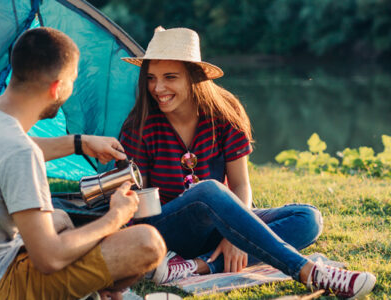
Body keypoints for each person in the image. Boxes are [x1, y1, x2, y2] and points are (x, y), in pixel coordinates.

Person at [118, 27, 376, 298]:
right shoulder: (140, 125)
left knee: (308, 219)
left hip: (217, 226)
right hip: (165, 232)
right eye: (151, 78)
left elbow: (241, 184)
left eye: (170, 77)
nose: (158, 88)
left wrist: (234, 237)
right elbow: (139, 209)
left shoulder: (224, 114)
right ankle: (310, 272)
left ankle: (197, 266)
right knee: (208, 191)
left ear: (194, 77)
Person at [0, 27, 167, 300]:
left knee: (61, 218)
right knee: (148, 244)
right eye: (72, 80)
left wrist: (80, 143)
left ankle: (93, 290)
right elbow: (49, 259)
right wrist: (116, 218)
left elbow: (9, 152)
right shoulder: (19, 152)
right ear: (56, 88)